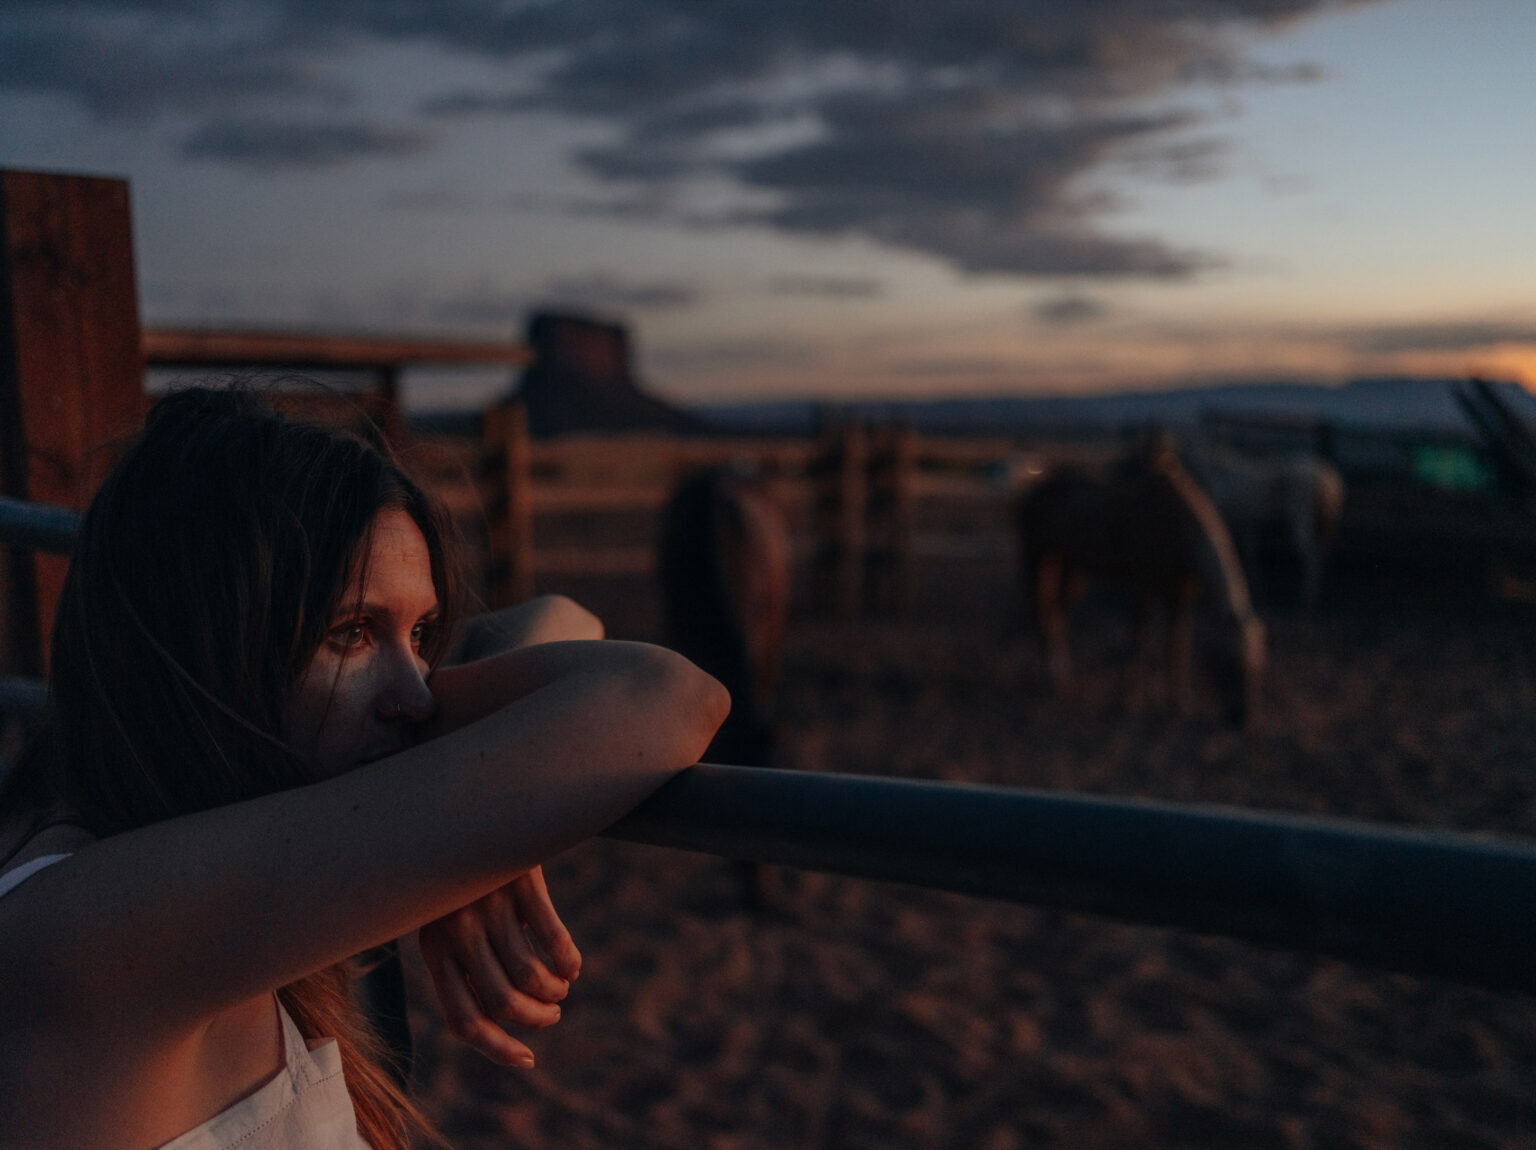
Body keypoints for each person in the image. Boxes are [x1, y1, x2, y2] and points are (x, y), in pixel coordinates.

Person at [0, 386, 729, 1150]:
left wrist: (469, 817)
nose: (412, 695)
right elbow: (664, 695)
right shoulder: (93, 926)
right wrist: (467, 807)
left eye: (421, 634)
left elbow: (558, 618)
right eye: (350, 634)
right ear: (200, 646)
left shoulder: (107, 816)